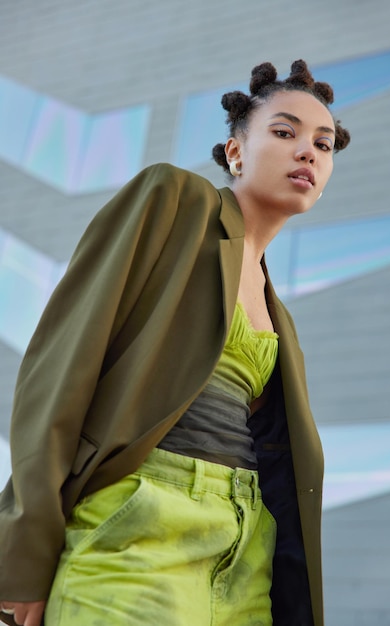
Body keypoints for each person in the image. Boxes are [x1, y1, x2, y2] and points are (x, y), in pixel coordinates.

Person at [0, 59, 350, 626]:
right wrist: (25, 551)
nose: (308, 151)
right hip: (139, 523)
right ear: (235, 152)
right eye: (284, 133)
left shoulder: (277, 312)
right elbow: (60, 369)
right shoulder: (174, 200)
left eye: (324, 143)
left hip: (245, 551)